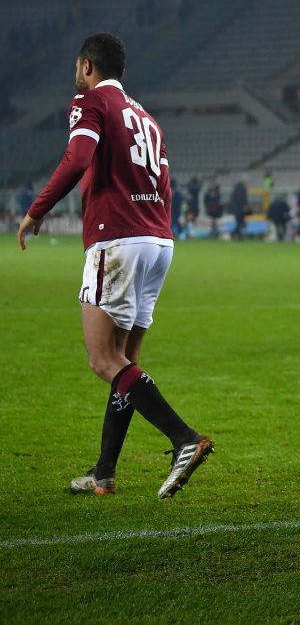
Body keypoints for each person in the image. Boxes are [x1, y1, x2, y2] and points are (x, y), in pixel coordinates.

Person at [17, 32, 212, 499]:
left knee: (103, 359)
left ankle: (184, 438)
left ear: (87, 65)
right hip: (157, 240)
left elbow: (77, 158)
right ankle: (104, 472)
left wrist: (37, 210)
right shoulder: (146, 117)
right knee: (127, 361)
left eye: (77, 66)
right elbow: (164, 184)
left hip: (118, 240)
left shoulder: (90, 103)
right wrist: (156, 231)